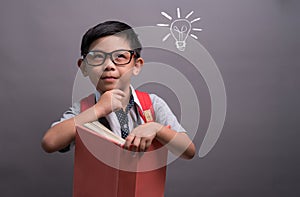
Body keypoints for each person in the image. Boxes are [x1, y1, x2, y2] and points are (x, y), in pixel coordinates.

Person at [41, 21, 195, 159]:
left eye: (120, 56)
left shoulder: (153, 104)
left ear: (136, 65)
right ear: (84, 67)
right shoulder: (83, 109)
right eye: (97, 56)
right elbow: (50, 142)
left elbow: (188, 151)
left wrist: (156, 128)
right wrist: (98, 109)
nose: (109, 65)